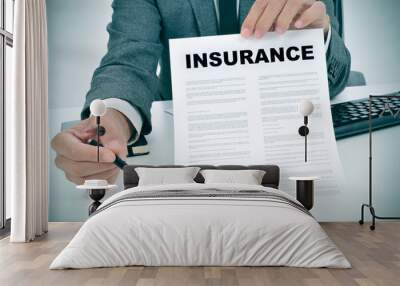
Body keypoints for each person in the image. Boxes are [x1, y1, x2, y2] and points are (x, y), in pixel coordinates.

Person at [51, 0, 351, 184]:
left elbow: (335, 73)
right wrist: (112, 120)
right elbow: (129, 59)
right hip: (190, 147)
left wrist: (317, 36)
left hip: (286, 140)